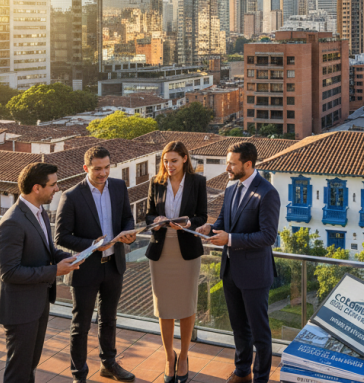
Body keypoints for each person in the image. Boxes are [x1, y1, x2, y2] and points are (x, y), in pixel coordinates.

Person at [198, 143, 281, 383]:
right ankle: (242, 371)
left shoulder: (267, 193)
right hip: (230, 270)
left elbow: (268, 236)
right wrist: (210, 227)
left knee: (259, 332)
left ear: (248, 164)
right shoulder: (232, 188)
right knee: (239, 328)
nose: (227, 168)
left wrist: (230, 239)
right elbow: (225, 220)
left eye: (232, 163)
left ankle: (261, 378)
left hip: (255, 274)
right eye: (228, 162)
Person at [0, 162, 80, 383]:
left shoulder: (39, 212)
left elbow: (46, 247)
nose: (57, 189)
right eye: (53, 185)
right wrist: (55, 271)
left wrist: (66, 257)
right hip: (20, 309)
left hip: (37, 303)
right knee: (18, 371)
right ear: (36, 188)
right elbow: (9, 273)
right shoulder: (12, 223)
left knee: (29, 365)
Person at [55, 146, 137, 383]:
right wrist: (91, 244)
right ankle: (79, 375)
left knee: (109, 319)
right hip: (85, 268)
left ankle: (108, 364)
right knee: (81, 324)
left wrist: (129, 231)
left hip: (114, 264)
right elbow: (61, 236)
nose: (103, 173)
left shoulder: (119, 187)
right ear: (86, 168)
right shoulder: (71, 196)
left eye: (107, 167)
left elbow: (126, 217)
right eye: (97, 169)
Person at [146, 141, 208, 383]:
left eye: (173, 160)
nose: (168, 165)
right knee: (164, 308)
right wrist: (157, 219)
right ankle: (168, 357)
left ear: (184, 158)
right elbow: (148, 214)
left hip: (187, 249)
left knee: (186, 306)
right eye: (165, 160)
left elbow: (202, 214)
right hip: (161, 250)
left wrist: (188, 222)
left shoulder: (198, 182)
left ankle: (183, 357)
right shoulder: (155, 182)